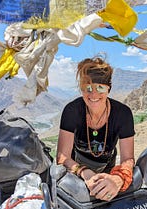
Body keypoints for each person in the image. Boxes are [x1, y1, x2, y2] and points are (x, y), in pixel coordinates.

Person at [56, 56, 135, 201]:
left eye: (100, 87)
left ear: (108, 89)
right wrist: (84, 172)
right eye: (87, 88)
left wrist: (118, 179)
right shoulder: (72, 111)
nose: (93, 94)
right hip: (75, 169)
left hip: (107, 170)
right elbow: (62, 158)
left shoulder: (123, 114)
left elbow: (128, 158)